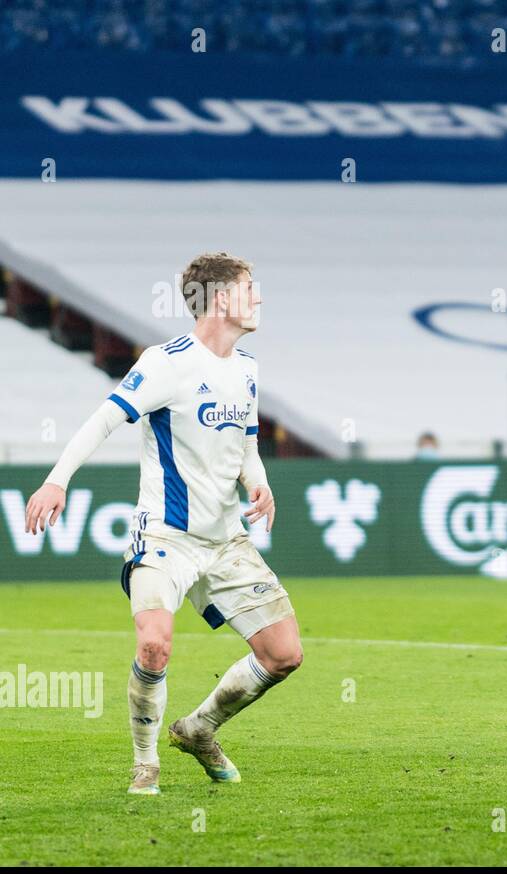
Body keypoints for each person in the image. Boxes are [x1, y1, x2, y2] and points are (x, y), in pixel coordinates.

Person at [24, 253, 303, 795]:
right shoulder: (166, 363)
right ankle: (145, 763)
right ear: (220, 299)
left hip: (225, 540)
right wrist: (56, 480)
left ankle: (199, 729)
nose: (260, 298)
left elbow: (245, 440)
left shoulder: (246, 369)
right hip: (164, 537)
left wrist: (258, 479)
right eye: (251, 288)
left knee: (284, 654)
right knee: (155, 645)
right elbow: (105, 418)